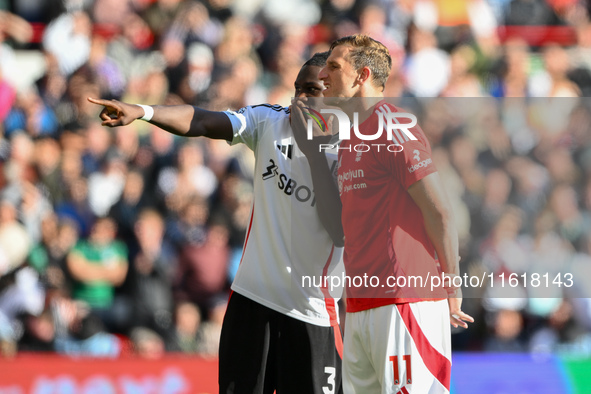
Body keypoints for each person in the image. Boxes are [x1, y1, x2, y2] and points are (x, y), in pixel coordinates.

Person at [88, 51, 345, 394]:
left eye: (312, 90)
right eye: (297, 88)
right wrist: (143, 112)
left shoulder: (350, 150)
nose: (300, 99)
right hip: (252, 300)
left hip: (312, 312)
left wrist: (313, 150)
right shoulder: (269, 122)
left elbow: (339, 230)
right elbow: (205, 121)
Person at [292, 35, 474, 394]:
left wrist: (452, 284)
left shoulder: (393, 124)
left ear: (361, 76)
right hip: (360, 304)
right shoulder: (349, 138)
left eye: (333, 66)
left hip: (405, 301)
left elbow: (440, 211)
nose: (323, 75)